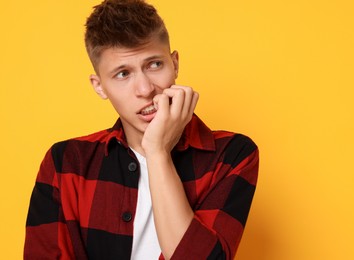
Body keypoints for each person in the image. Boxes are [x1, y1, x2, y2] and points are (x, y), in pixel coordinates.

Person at [24, 0, 259, 259]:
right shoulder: (66, 163)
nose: (146, 90)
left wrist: (157, 152)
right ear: (99, 86)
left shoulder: (231, 155)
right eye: (123, 74)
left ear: (175, 64)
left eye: (154, 65)